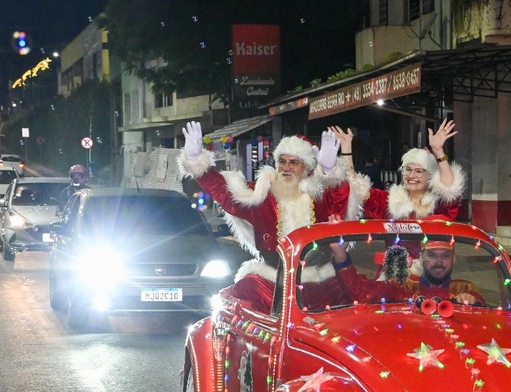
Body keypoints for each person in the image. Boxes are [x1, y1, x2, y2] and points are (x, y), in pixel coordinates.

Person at [178, 121, 366, 287]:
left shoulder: (319, 196)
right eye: (282, 161)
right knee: (244, 292)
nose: (286, 167)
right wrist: (196, 161)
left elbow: (340, 198)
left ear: (307, 168)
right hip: (273, 282)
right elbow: (225, 192)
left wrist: (330, 170)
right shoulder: (262, 195)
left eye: (294, 162)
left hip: (321, 281)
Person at [330, 120, 466, 222]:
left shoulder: (438, 204)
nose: (411, 175)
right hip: (395, 260)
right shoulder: (389, 201)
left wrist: (438, 151)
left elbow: (450, 190)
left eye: (419, 171)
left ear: (429, 176)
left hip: (431, 260)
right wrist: (346, 148)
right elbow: (356, 187)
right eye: (408, 170)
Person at [330, 240, 483, 306]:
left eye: (445, 256)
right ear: (421, 257)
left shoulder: (465, 289)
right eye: (432, 255)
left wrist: (471, 301)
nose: (439, 262)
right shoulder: (403, 286)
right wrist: (341, 255)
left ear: (454, 259)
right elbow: (361, 293)